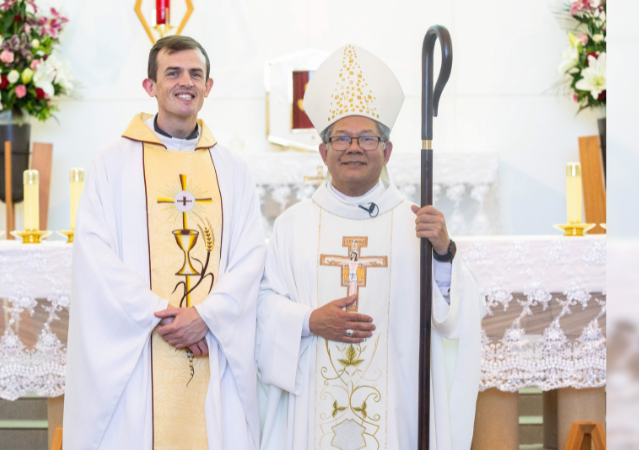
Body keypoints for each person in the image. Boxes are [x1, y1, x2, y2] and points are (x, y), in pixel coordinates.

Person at [255, 44, 484, 450]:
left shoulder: (415, 225)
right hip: (313, 404)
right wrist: (309, 321)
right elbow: (263, 306)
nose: (354, 147)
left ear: (387, 151)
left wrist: (444, 251)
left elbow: (453, 315)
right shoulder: (293, 226)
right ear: (323, 152)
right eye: (341, 138)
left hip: (395, 410)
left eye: (367, 138)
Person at [63, 36, 265, 450]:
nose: (184, 82)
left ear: (209, 87)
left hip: (212, 338)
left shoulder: (231, 170)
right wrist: (163, 316)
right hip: (141, 345)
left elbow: (250, 256)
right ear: (150, 86)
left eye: (195, 74)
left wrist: (206, 315)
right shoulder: (113, 163)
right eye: (172, 72)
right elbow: (94, 253)